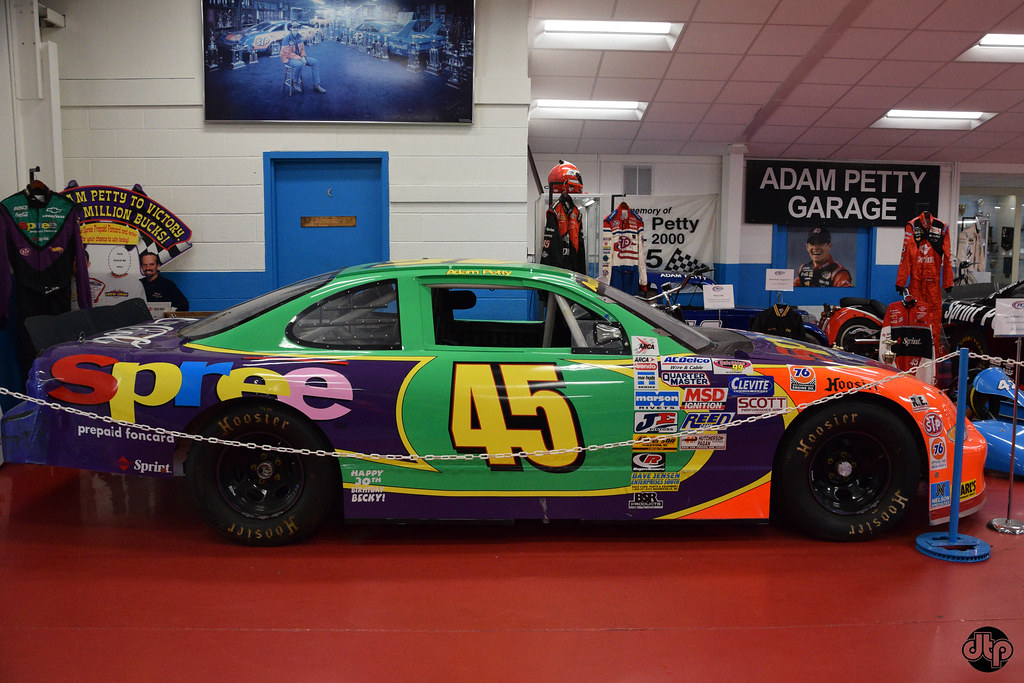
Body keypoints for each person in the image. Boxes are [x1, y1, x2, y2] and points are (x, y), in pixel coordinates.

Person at [280, 22, 327, 94]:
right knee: (299, 64)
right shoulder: (286, 38)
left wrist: (303, 57)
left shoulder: (299, 37)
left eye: (297, 28)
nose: (296, 29)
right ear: (290, 28)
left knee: (315, 62)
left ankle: (316, 85)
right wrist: (300, 58)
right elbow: (287, 53)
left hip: (299, 57)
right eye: (294, 27)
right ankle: (295, 82)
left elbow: (302, 49)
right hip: (288, 58)